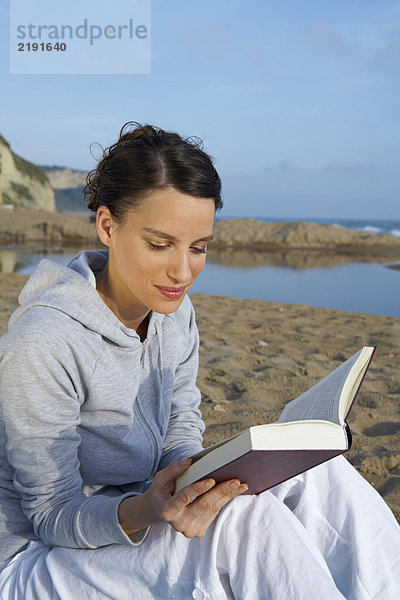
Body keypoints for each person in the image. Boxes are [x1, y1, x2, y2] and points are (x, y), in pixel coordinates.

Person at [0, 122, 399, 600]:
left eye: (199, 248)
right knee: (245, 523)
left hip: (137, 508)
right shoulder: (44, 342)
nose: (182, 271)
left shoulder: (173, 312)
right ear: (108, 226)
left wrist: (192, 479)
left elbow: (180, 424)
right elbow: (51, 514)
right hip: (36, 558)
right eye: (159, 244)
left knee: (321, 474)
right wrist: (148, 509)